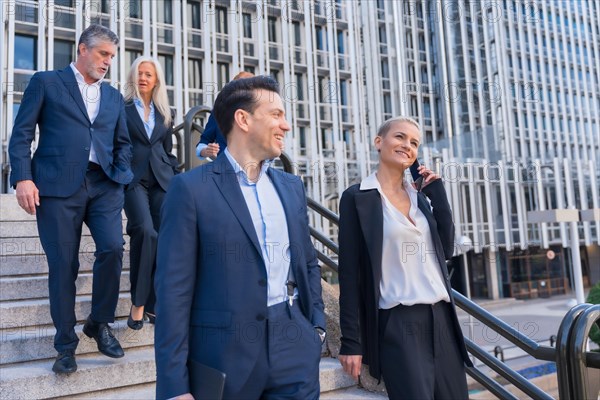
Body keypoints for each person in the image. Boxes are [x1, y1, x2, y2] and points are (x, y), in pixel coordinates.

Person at [155, 76, 326, 399]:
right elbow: (173, 292)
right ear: (243, 119)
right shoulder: (190, 190)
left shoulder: (291, 188)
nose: (286, 125)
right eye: (276, 114)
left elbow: (307, 261)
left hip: (294, 346)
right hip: (224, 358)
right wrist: (173, 386)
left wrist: (315, 327)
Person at [8, 24, 133, 374]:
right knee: (64, 265)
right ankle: (65, 345)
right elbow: (21, 134)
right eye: (102, 53)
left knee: (112, 248)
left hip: (104, 184)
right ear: (82, 49)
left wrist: (120, 175)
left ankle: (99, 322)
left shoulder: (112, 97)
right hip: (57, 186)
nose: (108, 61)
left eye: (112, 55)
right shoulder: (46, 82)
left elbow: (123, 143)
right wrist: (23, 177)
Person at [337, 116, 472, 399]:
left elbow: (445, 251)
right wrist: (351, 342)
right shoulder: (358, 198)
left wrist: (438, 194)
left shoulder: (420, 197)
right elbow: (349, 274)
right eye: (399, 137)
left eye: (414, 143)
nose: (407, 146)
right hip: (399, 322)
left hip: (442, 318)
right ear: (379, 142)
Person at [123, 56, 178, 330]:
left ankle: (154, 304)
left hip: (162, 181)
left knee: (163, 239)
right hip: (133, 181)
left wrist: (174, 173)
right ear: (134, 77)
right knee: (145, 231)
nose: (143, 78)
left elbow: (168, 151)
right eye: (140, 73)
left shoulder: (165, 113)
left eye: (149, 74)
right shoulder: (121, 108)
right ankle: (138, 302)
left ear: (156, 81)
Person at [195, 71, 254, 160]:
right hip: (226, 169)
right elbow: (203, 143)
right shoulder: (220, 112)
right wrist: (206, 150)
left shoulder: (261, 114)